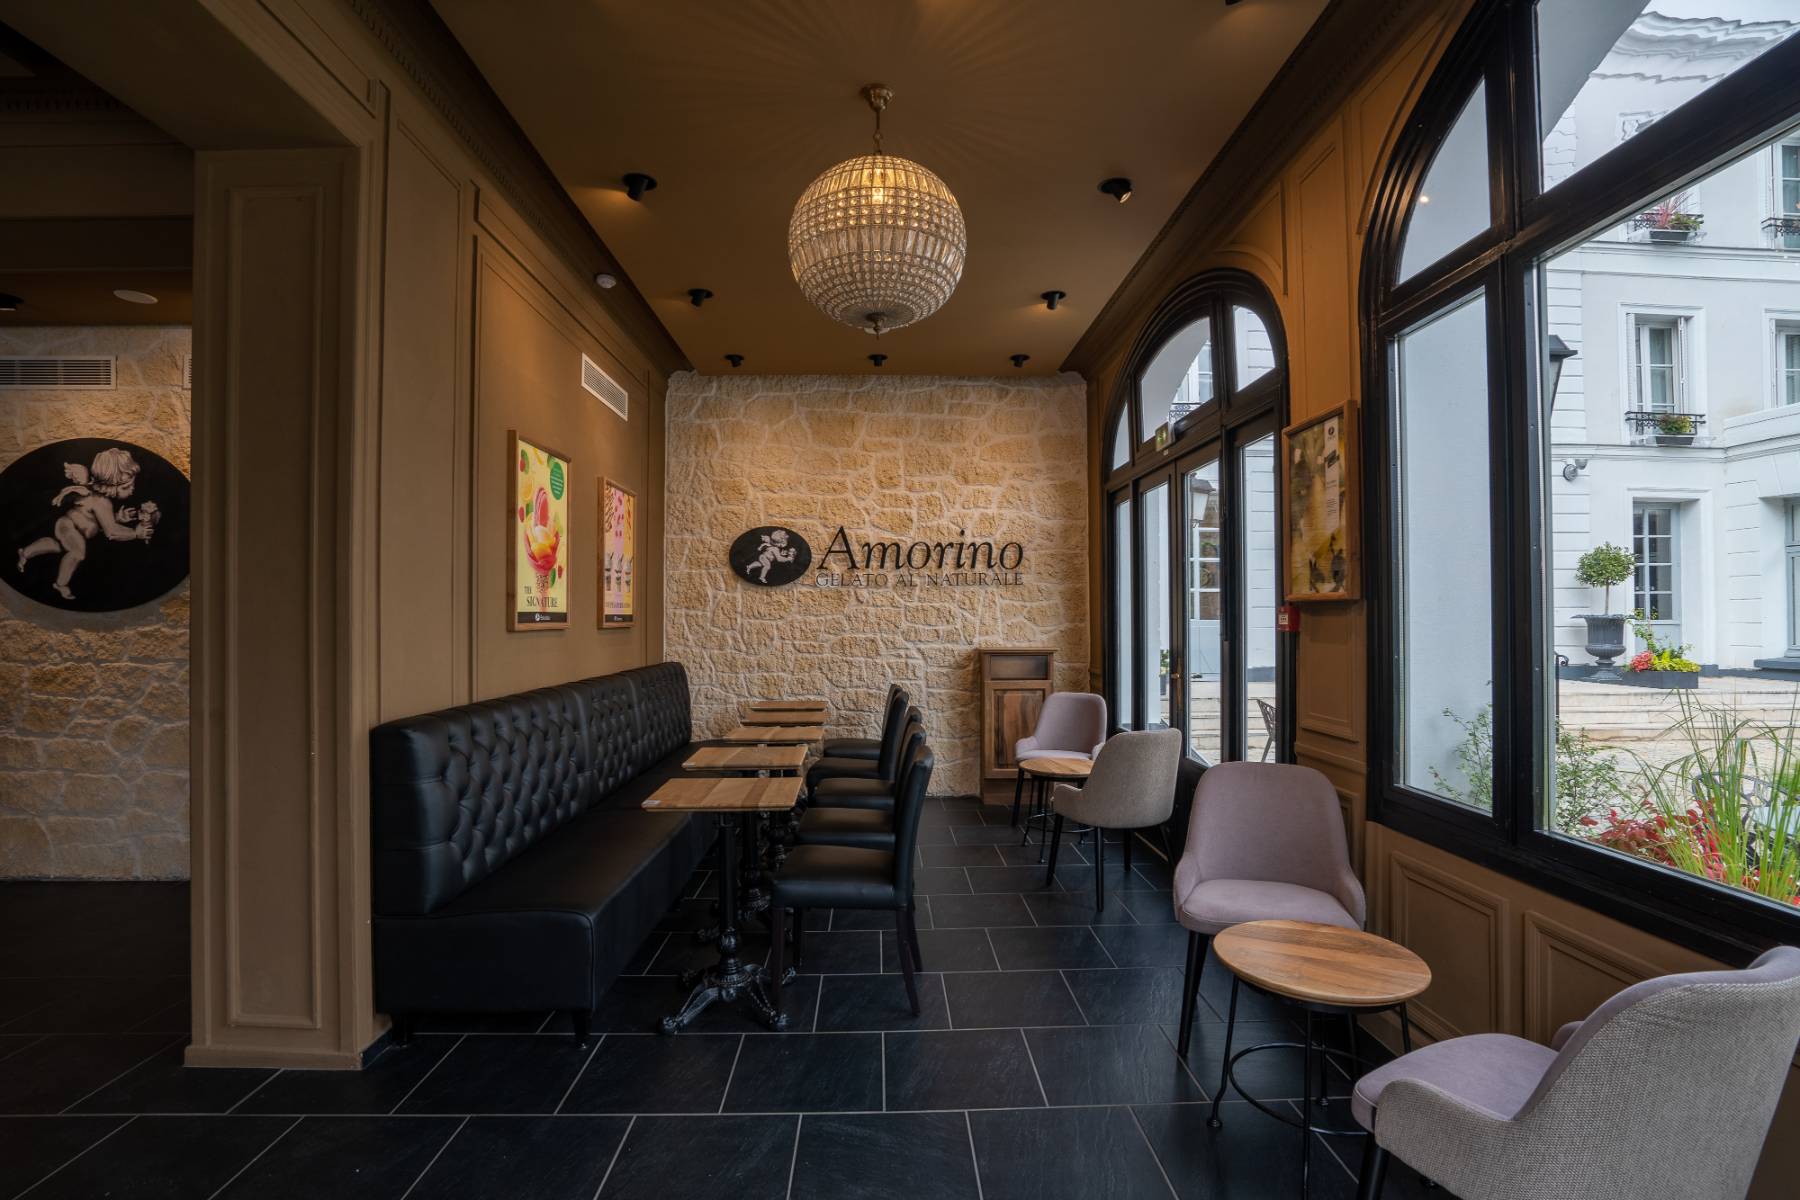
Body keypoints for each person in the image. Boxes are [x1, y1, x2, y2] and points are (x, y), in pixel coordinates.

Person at [16, 447, 157, 600]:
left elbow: (101, 520)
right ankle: (60, 584)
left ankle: (25, 552)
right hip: (69, 526)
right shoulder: (101, 502)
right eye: (126, 486)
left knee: (56, 546)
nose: (132, 490)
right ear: (111, 484)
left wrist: (118, 518)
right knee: (78, 552)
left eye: (132, 485)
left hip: (68, 527)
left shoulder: (101, 501)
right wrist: (135, 534)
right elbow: (111, 532)